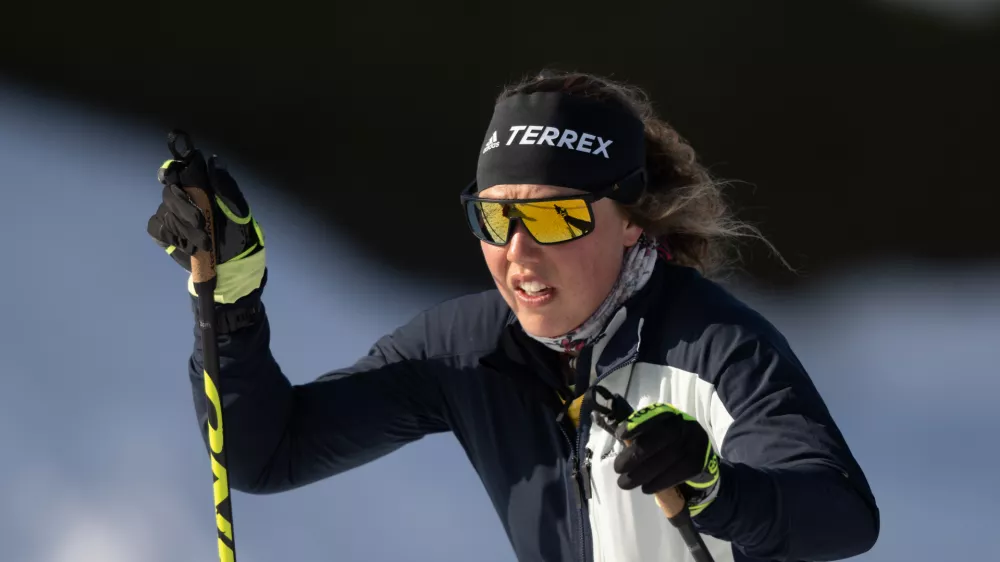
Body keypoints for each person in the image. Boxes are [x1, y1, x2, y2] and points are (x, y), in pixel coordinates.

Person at [146, 69, 879, 562]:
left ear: (633, 220)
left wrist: (719, 487)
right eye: (494, 219)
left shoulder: (714, 345)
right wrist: (234, 303)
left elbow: (842, 514)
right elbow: (265, 455)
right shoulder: (466, 348)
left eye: (556, 218)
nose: (518, 253)